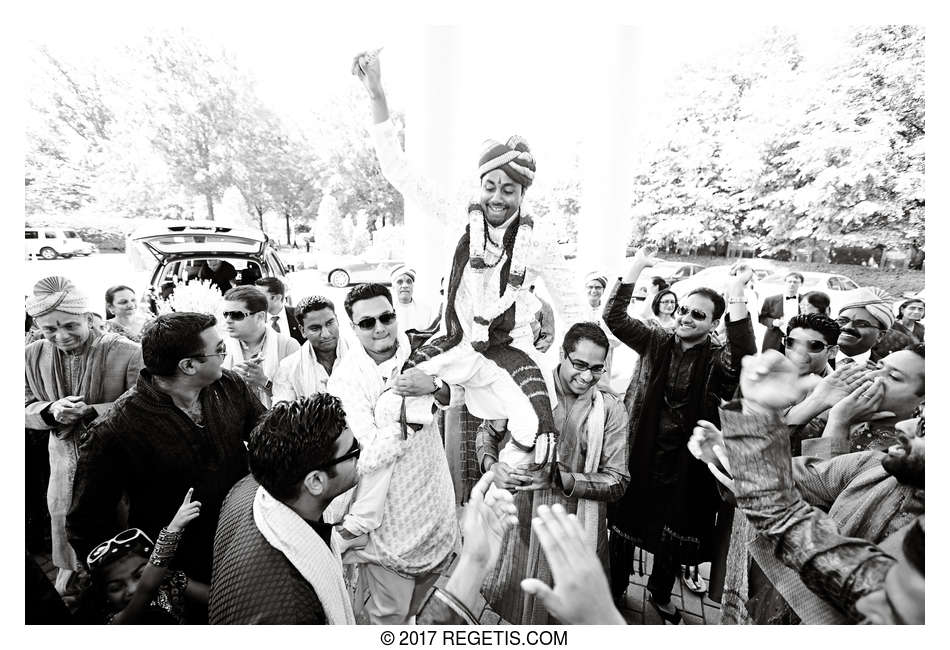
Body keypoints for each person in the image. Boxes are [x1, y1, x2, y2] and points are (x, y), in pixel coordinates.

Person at [353, 50, 583, 481]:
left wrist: (587, 361)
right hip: (456, 343)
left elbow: (574, 306)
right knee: (391, 404)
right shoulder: (459, 217)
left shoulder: (541, 245)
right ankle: (383, 499)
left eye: (509, 190)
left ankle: (494, 494)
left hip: (509, 351)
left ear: (522, 194)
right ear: (480, 186)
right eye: (490, 186)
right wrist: (378, 96)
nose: (497, 197)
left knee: (538, 433)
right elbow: (398, 172)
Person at [210, 392, 517, 624]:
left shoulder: (246, 491)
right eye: (353, 450)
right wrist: (473, 566)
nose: (363, 454)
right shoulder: (293, 608)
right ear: (315, 481)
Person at [708, 351, 925, 624]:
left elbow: (862, 586)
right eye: (877, 367)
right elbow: (773, 478)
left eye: (926, 424)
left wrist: (766, 496)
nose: (906, 426)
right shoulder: (876, 465)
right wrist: (756, 410)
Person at [603, 247, 756, 624]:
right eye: (684, 310)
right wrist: (635, 268)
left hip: (687, 461)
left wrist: (737, 291)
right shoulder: (656, 340)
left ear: (715, 323)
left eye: (698, 315)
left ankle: (658, 592)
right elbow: (614, 318)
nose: (686, 317)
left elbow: (746, 353)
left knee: (674, 531)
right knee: (625, 522)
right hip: (642, 449)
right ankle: (615, 588)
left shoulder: (720, 358)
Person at [68, 312, 267, 593]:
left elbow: (268, 438)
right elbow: (86, 524)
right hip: (184, 572)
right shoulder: (115, 428)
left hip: (246, 542)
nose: (225, 355)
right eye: (219, 350)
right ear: (188, 365)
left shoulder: (229, 386)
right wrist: (149, 579)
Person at [325, 283, 460, 625]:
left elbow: (458, 395)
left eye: (386, 317)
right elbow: (368, 447)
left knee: (426, 607)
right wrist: (406, 416)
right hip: (389, 513)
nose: (380, 328)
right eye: (367, 323)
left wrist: (433, 386)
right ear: (353, 329)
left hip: (435, 494)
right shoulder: (344, 379)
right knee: (390, 616)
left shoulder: (422, 354)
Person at [477, 322, 630, 624]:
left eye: (597, 369)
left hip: (575, 526)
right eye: (580, 365)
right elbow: (487, 433)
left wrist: (559, 479)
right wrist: (492, 467)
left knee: (566, 612)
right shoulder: (526, 389)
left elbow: (617, 480)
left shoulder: (611, 409)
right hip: (519, 518)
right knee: (517, 599)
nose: (587, 377)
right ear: (562, 354)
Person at [25, 276, 143, 593]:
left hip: (116, 465)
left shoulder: (128, 352)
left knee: (117, 529)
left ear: (88, 318)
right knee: (64, 526)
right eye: (49, 330)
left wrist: (93, 411)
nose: (60, 336)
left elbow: (144, 404)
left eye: (69, 326)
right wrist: (50, 411)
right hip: (61, 464)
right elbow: (23, 404)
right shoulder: (31, 355)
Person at [86, 489, 208, 624]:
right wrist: (172, 530)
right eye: (116, 588)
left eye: (140, 575)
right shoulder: (114, 623)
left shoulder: (171, 581)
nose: (132, 589)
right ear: (105, 596)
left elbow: (221, 599)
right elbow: (146, 589)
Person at [220, 286, 300, 408]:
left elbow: (298, 398)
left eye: (236, 315)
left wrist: (263, 382)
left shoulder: (288, 346)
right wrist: (232, 381)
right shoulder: (221, 348)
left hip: (276, 423)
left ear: (260, 316)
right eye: (225, 314)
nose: (228, 320)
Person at [272, 295, 350, 403]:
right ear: (303, 331)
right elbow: (283, 414)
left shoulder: (362, 354)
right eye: (315, 328)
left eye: (330, 323)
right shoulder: (289, 368)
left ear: (337, 320)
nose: (326, 334)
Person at [833, 292, 894, 367]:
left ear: (880, 336)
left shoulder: (883, 370)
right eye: (842, 321)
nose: (847, 327)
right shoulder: (816, 355)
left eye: (862, 324)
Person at [759, 271, 804, 353]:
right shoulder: (771, 300)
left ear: (801, 284)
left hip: (797, 341)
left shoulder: (805, 300)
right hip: (774, 339)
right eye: (789, 281)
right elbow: (762, 317)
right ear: (785, 283)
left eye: (795, 282)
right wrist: (773, 322)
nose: (792, 284)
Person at [390, 264, 439, 335]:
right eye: (400, 282)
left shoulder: (426, 310)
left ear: (413, 285)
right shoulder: (388, 311)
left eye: (409, 282)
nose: (405, 285)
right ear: (394, 287)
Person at [255, 277, 305, 345]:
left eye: (260, 297)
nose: (255, 300)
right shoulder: (254, 320)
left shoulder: (299, 315)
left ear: (276, 298)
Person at [871, 297, 921, 362]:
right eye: (912, 308)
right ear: (902, 310)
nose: (916, 311)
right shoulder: (889, 325)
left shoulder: (921, 329)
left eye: (920, 309)